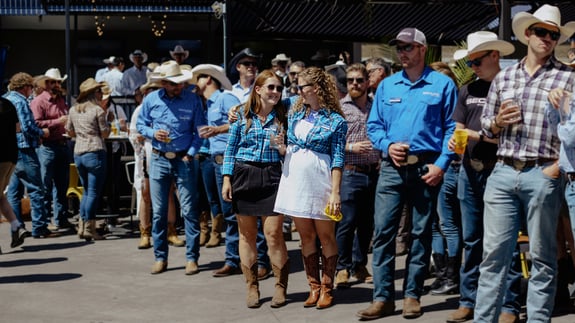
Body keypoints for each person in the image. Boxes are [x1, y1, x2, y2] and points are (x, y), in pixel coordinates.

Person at [476, 5, 575, 322]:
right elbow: (485, 128)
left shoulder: (568, 78)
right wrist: (496, 123)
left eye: (554, 34)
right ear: (528, 34)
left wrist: (555, 168)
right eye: (543, 32)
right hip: (503, 171)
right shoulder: (504, 77)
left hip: (543, 171)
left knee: (544, 258)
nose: (548, 38)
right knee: (493, 256)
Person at [357, 27, 457, 320]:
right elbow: (374, 126)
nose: (402, 52)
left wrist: (442, 164)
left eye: (408, 47)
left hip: (426, 166)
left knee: (421, 232)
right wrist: (388, 145)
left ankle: (412, 294)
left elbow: (452, 128)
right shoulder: (387, 86)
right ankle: (383, 297)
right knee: (384, 232)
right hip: (392, 167)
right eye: (399, 47)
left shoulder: (442, 84)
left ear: (423, 49)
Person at [446, 31, 523, 323]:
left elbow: (514, 138)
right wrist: (456, 140)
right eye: (471, 62)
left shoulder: (510, 88)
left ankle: (509, 305)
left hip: (500, 170)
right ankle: (470, 299)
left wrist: (476, 135)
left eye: (478, 61)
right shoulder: (467, 90)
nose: (474, 67)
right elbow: (457, 127)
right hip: (469, 169)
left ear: (495, 56)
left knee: (505, 240)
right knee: (472, 239)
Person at [274, 66, 347, 309]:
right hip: (295, 179)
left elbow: (338, 158)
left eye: (301, 86)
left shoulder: (336, 120)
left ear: (315, 88)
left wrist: (335, 192)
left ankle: (327, 288)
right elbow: (265, 101)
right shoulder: (296, 113)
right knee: (305, 235)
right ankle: (313, 287)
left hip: (320, 180)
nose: (297, 91)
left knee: (326, 235)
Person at [222, 70, 289, 308]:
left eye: (279, 88)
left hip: (272, 174)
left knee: (273, 234)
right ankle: (252, 287)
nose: (276, 92)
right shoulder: (241, 114)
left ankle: (280, 286)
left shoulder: (284, 113)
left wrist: (283, 149)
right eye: (271, 87)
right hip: (244, 173)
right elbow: (230, 148)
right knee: (247, 235)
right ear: (258, 89)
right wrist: (227, 178)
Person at [136, 60, 205, 275]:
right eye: (174, 84)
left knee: (189, 210)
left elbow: (200, 131)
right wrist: (152, 133)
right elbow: (140, 124)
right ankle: (160, 257)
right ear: (164, 83)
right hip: (158, 158)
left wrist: (192, 154)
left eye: (180, 83)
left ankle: (192, 258)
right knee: (159, 212)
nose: (178, 87)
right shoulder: (151, 99)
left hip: (184, 158)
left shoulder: (193, 100)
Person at [191, 64, 243, 277]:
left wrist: (217, 129)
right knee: (228, 211)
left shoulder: (225, 98)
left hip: (228, 160)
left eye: (199, 78)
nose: (196, 83)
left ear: (209, 80)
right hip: (218, 160)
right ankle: (237, 258)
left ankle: (237, 259)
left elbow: (242, 120)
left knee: (233, 212)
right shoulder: (210, 103)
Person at [334, 63, 379, 289]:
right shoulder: (340, 108)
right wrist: (350, 147)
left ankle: (360, 265)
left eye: (359, 80)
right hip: (350, 173)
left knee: (367, 223)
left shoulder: (377, 106)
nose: (354, 84)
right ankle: (342, 268)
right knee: (346, 222)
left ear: (367, 82)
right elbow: (330, 143)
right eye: (350, 80)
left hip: (373, 173)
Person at [3, 73, 51, 239]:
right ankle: (40, 228)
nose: (32, 90)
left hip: (9, 151)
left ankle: (17, 228)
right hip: (24, 149)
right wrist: (42, 133)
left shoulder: (5, 98)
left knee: (13, 193)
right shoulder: (21, 101)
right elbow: (26, 127)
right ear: (24, 87)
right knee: (36, 189)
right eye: (31, 87)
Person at [66, 78, 109, 241]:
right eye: (99, 91)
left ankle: (82, 226)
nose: (101, 93)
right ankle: (90, 229)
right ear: (92, 93)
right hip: (95, 150)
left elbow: (69, 132)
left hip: (79, 151)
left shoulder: (73, 110)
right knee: (93, 192)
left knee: (86, 191)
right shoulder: (98, 110)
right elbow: (105, 133)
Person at [31, 67, 72, 231]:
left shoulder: (62, 100)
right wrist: (57, 122)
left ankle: (61, 218)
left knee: (62, 186)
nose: (56, 84)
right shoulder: (39, 101)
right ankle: (45, 220)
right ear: (46, 84)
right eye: (53, 82)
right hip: (48, 146)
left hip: (62, 144)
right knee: (45, 186)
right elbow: (35, 123)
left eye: (58, 82)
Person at [0, 96, 31, 252]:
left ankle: (16, 226)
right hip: (11, 155)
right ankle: (16, 225)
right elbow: (18, 129)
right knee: (0, 195)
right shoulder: (8, 104)